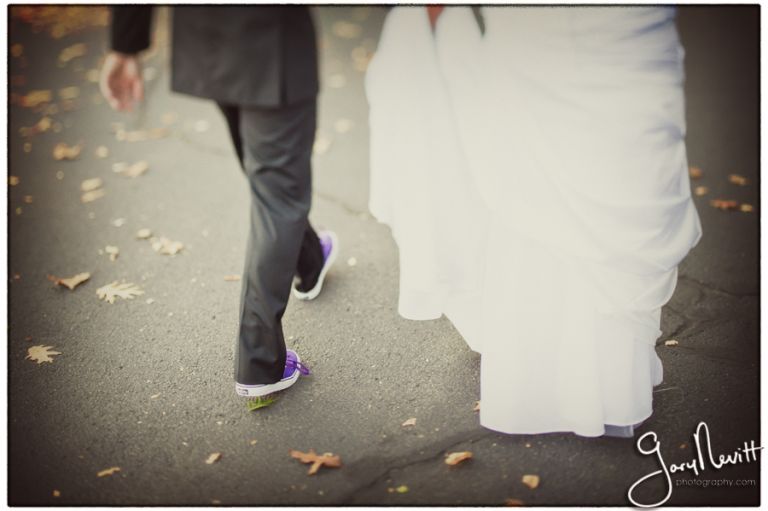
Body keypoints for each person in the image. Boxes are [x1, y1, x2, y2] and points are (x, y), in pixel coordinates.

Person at [366, 6, 702, 437]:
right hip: (541, 40)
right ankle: (575, 379)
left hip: (623, 34)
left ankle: (585, 378)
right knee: (537, 190)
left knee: (607, 176)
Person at [101, 6, 339, 399]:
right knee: (278, 190)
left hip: (205, 34)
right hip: (270, 37)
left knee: (268, 177)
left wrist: (126, 45)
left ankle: (310, 260)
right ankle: (260, 364)